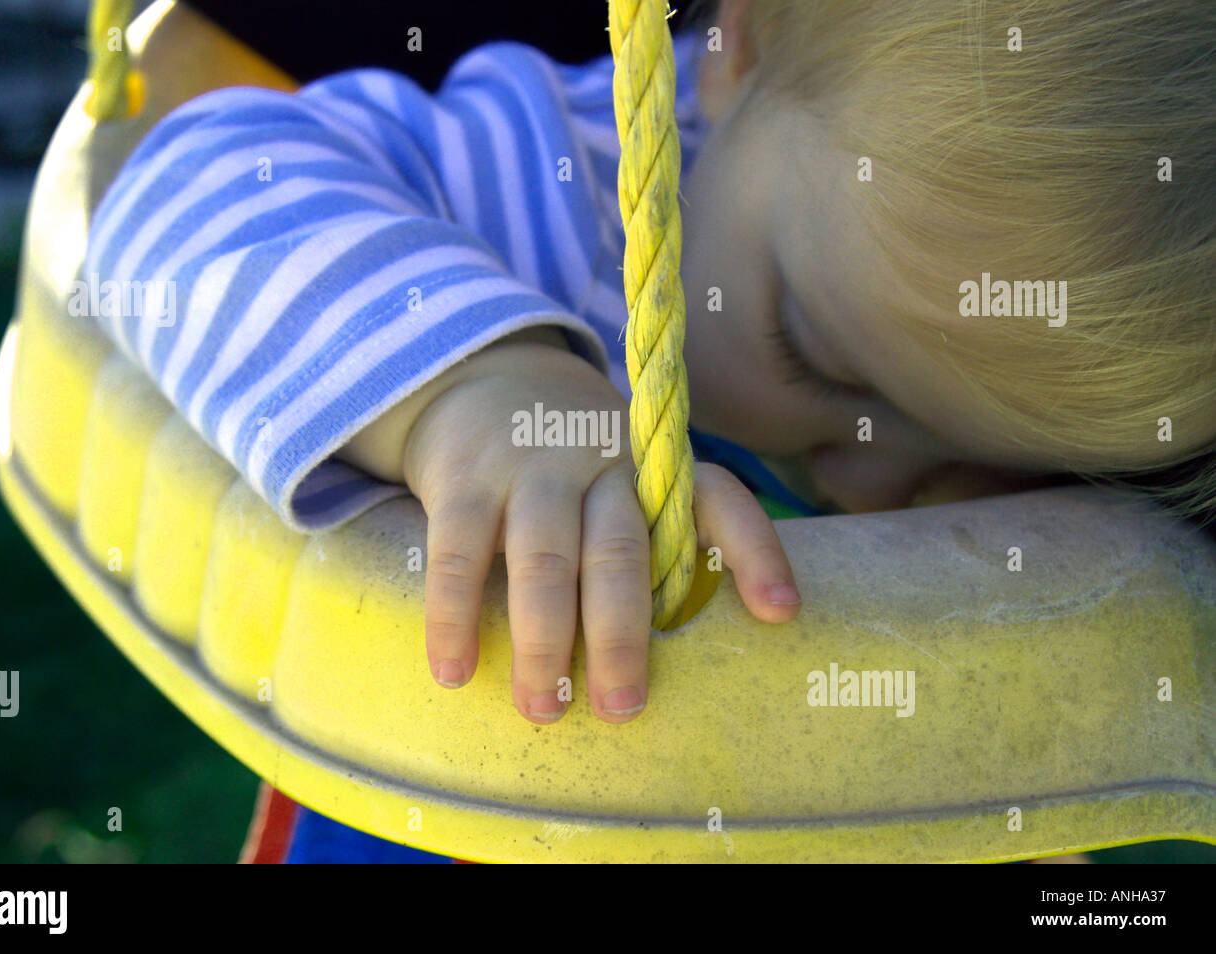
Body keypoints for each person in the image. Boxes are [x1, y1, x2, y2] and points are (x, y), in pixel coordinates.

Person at [85, 0, 1216, 860]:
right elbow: (184, 185)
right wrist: (480, 386)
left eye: (975, 456)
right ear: (739, 50)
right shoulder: (557, 172)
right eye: (810, 354)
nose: (865, 479)